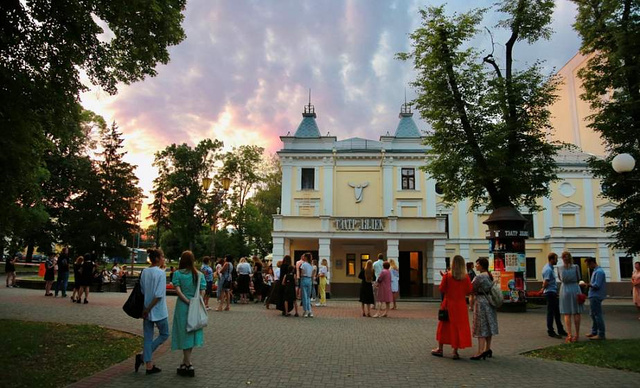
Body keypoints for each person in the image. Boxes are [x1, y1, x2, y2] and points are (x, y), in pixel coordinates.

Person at [171, 251, 206, 376]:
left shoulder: (177, 274)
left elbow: (178, 290)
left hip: (182, 306)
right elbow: (202, 290)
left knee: (184, 332)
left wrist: (186, 301)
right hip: (195, 307)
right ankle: (187, 362)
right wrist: (196, 301)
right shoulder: (199, 275)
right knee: (191, 332)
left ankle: (187, 363)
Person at [135, 248, 169, 375]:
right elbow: (159, 295)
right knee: (164, 334)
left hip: (146, 310)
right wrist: (149, 308)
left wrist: (145, 309)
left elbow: (143, 291)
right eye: (162, 256)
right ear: (157, 259)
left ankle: (147, 362)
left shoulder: (144, 272)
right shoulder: (160, 274)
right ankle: (145, 358)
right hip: (158, 310)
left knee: (148, 337)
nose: (164, 259)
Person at [432, 255, 472, 360]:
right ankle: (455, 351)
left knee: (444, 326)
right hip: (460, 305)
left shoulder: (448, 276)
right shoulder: (466, 277)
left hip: (448, 304)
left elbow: (442, 288)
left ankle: (440, 349)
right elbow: (468, 291)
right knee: (458, 327)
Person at [470, 258, 498, 360]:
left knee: (480, 326)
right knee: (488, 325)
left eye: (477, 264)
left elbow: (471, 288)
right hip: (490, 301)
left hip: (481, 302)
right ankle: (487, 349)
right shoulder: (490, 275)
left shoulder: (479, 277)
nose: (476, 266)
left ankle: (480, 351)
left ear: (482, 265)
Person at [558, 251, 583, 343]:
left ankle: (569, 335)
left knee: (567, 313)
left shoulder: (559, 268)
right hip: (575, 288)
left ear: (562, 258)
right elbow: (578, 277)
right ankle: (577, 335)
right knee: (576, 312)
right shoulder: (576, 267)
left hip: (565, 289)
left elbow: (560, 279)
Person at [541, 252, 567, 338]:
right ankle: (551, 331)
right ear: (552, 259)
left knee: (556, 312)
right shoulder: (548, 269)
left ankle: (560, 329)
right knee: (551, 312)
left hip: (552, 292)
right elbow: (546, 282)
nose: (557, 260)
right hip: (550, 292)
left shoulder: (548, 267)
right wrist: (542, 289)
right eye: (556, 259)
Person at [585, 257, 607, 340]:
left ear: (592, 263)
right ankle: (594, 331)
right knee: (593, 314)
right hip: (593, 295)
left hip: (596, 295)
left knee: (597, 315)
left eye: (588, 265)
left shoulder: (599, 272)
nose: (588, 267)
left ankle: (601, 334)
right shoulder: (595, 271)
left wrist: (587, 285)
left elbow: (597, 285)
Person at [299, 253, 314, 318]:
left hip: (304, 279)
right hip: (309, 280)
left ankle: (305, 311)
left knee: (304, 297)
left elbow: (302, 273)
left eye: (304, 256)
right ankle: (310, 311)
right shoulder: (311, 265)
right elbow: (312, 274)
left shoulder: (303, 264)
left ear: (306, 258)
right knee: (308, 297)